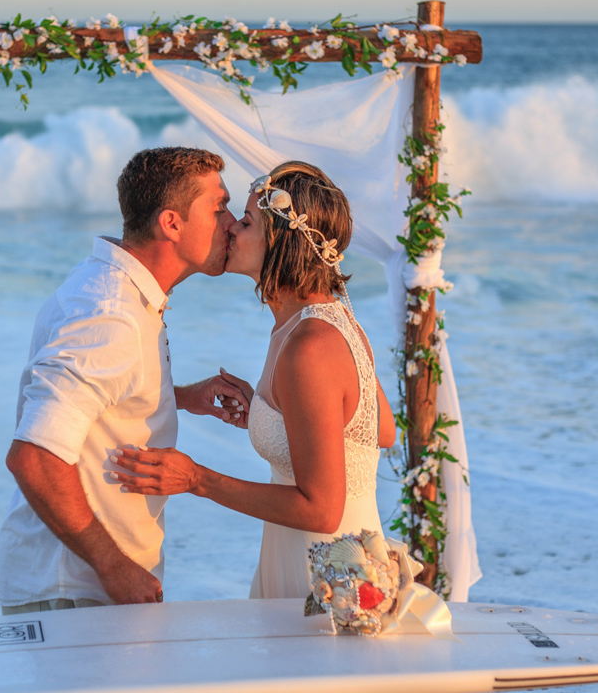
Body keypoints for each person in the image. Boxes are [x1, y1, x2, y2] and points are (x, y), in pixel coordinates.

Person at [112, 161, 397, 599]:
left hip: (328, 577)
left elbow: (322, 511)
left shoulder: (310, 346)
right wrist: (277, 415)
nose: (230, 228)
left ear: (280, 241)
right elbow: (381, 430)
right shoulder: (324, 319)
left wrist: (196, 479)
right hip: (303, 554)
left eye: (245, 222)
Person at [0, 146, 252, 614]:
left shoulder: (115, 288)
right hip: (76, 592)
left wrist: (174, 397)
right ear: (171, 224)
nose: (233, 224)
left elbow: (102, 393)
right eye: (219, 208)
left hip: (79, 586)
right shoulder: (110, 314)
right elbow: (34, 456)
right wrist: (112, 566)